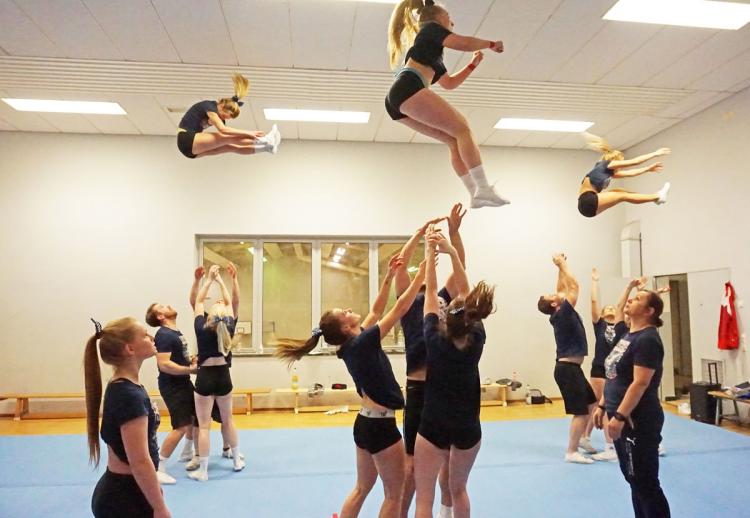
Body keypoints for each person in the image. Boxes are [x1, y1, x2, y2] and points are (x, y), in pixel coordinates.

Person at [275, 256, 427, 518]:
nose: (348, 309)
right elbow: (400, 308)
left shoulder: (352, 345)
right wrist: (422, 274)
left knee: (362, 488)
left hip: (364, 424)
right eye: (344, 312)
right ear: (346, 326)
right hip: (381, 427)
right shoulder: (363, 343)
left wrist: (389, 277)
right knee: (395, 493)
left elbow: (378, 309)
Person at [387, 0, 509, 209]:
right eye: (450, 19)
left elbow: (449, 83)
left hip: (398, 99)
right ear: (440, 19)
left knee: (454, 140)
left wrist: (472, 64)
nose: (453, 22)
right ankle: (483, 186)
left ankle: (475, 194)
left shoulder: (431, 50)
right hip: (408, 87)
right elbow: (462, 43)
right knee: (462, 128)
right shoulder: (429, 29)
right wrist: (491, 44)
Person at [414, 227, 494, 518]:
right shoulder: (476, 338)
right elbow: (465, 291)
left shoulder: (434, 339)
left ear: (446, 317)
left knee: (424, 497)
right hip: (467, 426)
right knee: (458, 489)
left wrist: (430, 251)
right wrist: (451, 252)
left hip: (433, 423)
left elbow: (432, 292)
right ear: (471, 318)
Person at [395, 206, 464, 518]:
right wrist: (419, 236)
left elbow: (461, 269)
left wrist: (454, 233)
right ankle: (402, 512)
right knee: (412, 467)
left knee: (448, 462)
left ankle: (447, 511)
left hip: (444, 389)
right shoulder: (410, 304)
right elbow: (399, 268)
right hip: (419, 390)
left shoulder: (445, 299)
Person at [594, 289, 671, 517]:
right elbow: (615, 374)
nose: (629, 300)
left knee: (645, 482)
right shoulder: (628, 335)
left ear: (649, 311)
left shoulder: (647, 339)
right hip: (620, 413)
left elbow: (640, 383)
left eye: (637, 299)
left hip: (638, 419)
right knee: (633, 479)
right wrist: (602, 405)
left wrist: (619, 416)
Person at [85, 317, 171, 518]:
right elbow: (139, 460)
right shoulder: (128, 395)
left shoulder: (127, 386)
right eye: (144, 335)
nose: (151, 337)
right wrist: (159, 507)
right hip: (123, 498)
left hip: (130, 491)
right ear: (130, 349)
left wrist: (153, 489)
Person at [537, 254, 597, 464]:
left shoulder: (561, 310)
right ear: (554, 304)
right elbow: (574, 287)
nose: (557, 293)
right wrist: (563, 264)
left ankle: (583, 439)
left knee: (592, 403)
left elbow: (562, 288)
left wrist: (558, 269)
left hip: (573, 369)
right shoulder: (562, 313)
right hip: (567, 370)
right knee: (580, 412)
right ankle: (571, 451)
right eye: (552, 295)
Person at [189, 265, 244, 481]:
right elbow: (233, 302)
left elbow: (198, 302)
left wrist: (209, 280)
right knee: (228, 420)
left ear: (210, 316)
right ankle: (237, 459)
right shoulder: (228, 325)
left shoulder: (201, 326)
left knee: (204, 426)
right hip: (223, 377)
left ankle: (203, 470)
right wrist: (225, 281)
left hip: (204, 377)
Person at [145, 302, 198, 484]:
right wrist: (190, 371)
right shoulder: (165, 335)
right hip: (173, 386)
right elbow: (164, 364)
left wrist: (190, 361)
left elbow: (176, 357)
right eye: (162, 306)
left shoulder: (174, 333)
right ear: (160, 316)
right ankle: (159, 466)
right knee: (181, 426)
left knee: (193, 417)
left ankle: (187, 452)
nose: (167, 304)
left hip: (182, 382)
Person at [583, 270, 633, 461]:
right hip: (599, 368)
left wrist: (633, 288)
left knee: (609, 405)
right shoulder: (600, 324)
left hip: (616, 368)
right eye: (607, 308)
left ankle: (610, 445)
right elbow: (594, 303)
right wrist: (594, 282)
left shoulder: (621, 325)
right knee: (597, 404)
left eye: (613, 307)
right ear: (603, 314)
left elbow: (623, 306)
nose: (611, 308)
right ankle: (587, 438)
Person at [176, 73, 281, 159]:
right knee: (227, 137)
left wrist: (248, 135)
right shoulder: (209, 107)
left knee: (230, 147)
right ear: (222, 106)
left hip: (191, 151)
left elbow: (227, 131)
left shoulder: (218, 115)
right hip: (186, 139)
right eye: (227, 116)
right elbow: (223, 130)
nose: (225, 119)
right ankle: (267, 139)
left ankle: (267, 147)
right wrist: (249, 133)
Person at [578, 133, 671, 218]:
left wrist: (648, 169)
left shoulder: (605, 172)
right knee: (622, 195)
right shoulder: (607, 165)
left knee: (623, 194)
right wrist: (654, 154)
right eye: (621, 163)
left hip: (587, 208)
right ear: (616, 161)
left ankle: (655, 198)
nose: (621, 168)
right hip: (588, 201)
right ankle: (657, 196)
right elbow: (634, 162)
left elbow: (631, 173)